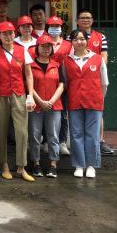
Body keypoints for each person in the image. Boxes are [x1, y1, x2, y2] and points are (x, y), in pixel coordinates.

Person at [0, 21, 36, 181]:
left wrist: (30, 95)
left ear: (14, 34)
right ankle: (4, 165)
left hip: (19, 93)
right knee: (1, 130)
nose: (8, 36)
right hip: (0, 94)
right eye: (4, 33)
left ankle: (21, 167)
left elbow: (28, 74)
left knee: (22, 131)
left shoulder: (22, 50)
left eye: (10, 33)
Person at [64, 29, 108, 178]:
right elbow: (65, 82)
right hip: (74, 101)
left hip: (94, 102)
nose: (79, 42)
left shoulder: (97, 58)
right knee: (76, 134)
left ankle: (91, 165)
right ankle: (79, 165)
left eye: (82, 39)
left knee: (93, 134)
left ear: (87, 41)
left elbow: (104, 82)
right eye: (75, 39)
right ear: (71, 42)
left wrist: (100, 98)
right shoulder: (66, 61)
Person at [75, 8, 113, 155]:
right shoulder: (73, 36)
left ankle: (100, 140)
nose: (86, 20)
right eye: (83, 18)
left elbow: (104, 57)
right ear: (77, 21)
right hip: (77, 79)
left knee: (97, 110)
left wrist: (95, 72)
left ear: (92, 20)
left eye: (88, 18)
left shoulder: (100, 37)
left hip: (94, 80)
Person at [28, 34, 65, 178]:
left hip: (54, 106)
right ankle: (36, 164)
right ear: (37, 48)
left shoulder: (57, 65)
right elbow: (28, 86)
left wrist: (51, 101)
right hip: (35, 106)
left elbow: (61, 85)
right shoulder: (31, 65)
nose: (46, 49)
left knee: (53, 136)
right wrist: (40, 101)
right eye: (43, 46)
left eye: (49, 46)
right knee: (34, 135)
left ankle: (53, 165)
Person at [46, 15, 73, 156]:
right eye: (52, 26)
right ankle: (46, 141)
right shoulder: (43, 42)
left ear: (61, 28)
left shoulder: (68, 45)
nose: (55, 29)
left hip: (64, 83)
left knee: (63, 114)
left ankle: (62, 141)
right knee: (45, 111)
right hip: (46, 82)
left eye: (57, 26)